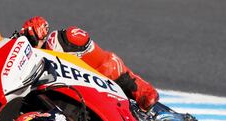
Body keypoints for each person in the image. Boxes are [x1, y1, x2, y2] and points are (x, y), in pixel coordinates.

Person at [20, 16, 159, 111]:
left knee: (106, 65)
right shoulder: (27, 64)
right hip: (72, 101)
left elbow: (80, 37)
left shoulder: (57, 40)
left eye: (29, 39)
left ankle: (141, 90)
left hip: (95, 81)